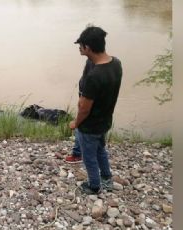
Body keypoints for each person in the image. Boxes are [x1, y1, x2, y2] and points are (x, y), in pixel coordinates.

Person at [69, 25, 122, 194]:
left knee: (89, 157)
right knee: (101, 151)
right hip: (105, 121)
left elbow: (84, 108)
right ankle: (107, 178)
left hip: (90, 126)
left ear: (88, 47)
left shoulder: (94, 76)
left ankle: (94, 186)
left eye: (81, 45)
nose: (79, 47)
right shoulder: (116, 63)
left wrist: (76, 123)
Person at [65, 58, 95, 164]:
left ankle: (77, 154)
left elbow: (84, 107)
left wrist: (76, 122)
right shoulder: (107, 68)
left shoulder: (89, 76)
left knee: (80, 126)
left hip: (88, 105)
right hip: (98, 110)